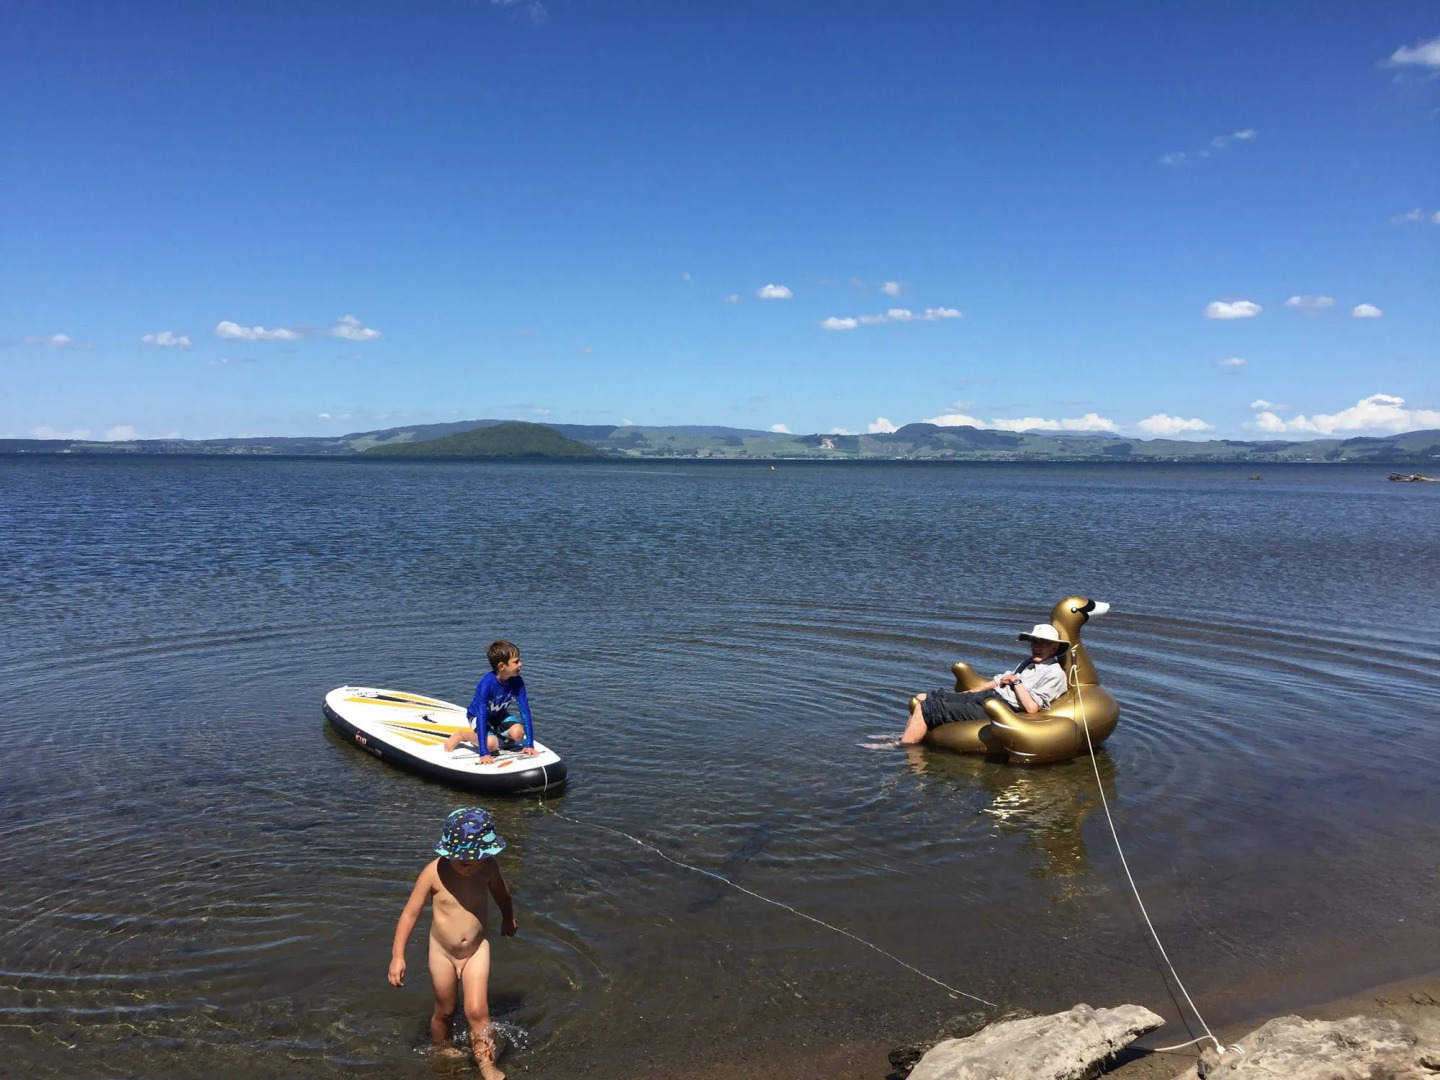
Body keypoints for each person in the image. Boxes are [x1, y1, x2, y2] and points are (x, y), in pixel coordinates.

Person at [388, 807, 517, 1080]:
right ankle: (442, 1050)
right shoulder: (433, 873)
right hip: (442, 953)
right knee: (445, 1010)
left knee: (478, 1011)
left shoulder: (488, 868)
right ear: (449, 852)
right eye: (465, 861)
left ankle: (487, 1066)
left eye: (480, 859)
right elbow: (410, 914)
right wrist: (398, 956)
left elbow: (501, 894)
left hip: (476, 950)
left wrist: (508, 917)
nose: (473, 866)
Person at [901, 622, 1071, 745]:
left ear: (1054, 647)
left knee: (927, 708)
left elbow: (1032, 707)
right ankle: (902, 736)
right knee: (923, 697)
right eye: (1034, 641)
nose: (1036, 646)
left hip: (1001, 707)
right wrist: (972, 692)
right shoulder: (1028, 662)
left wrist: (1016, 681)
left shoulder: (1055, 674)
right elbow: (999, 681)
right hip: (987, 697)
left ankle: (903, 748)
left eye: (1042, 643)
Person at [443, 640, 540, 761]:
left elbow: (525, 711)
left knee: (518, 734)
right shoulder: (486, 684)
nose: (520, 664)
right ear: (501, 666)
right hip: (478, 716)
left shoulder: (517, 681)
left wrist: (529, 744)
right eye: (516, 662)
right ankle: (462, 735)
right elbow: (482, 716)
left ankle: (497, 734)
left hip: (499, 715)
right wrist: (484, 753)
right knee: (492, 745)